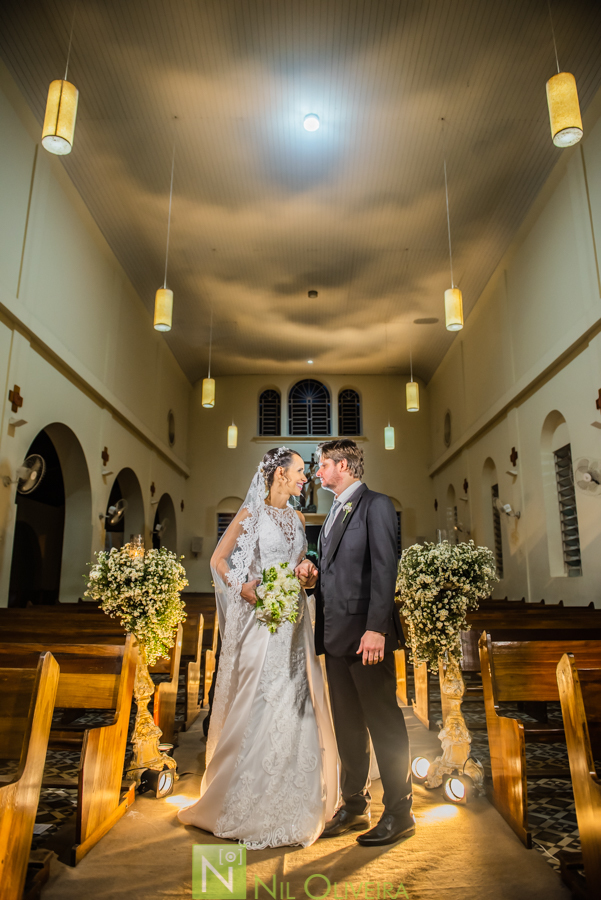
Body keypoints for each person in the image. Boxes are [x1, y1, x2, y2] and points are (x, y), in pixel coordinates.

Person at [178, 447, 339, 849]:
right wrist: (243, 589)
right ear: (279, 474)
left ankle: (298, 795)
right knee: (262, 698)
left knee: (299, 697)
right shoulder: (251, 515)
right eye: (301, 471)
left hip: (296, 619)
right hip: (262, 619)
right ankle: (244, 797)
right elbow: (219, 561)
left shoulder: (299, 517)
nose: (307, 478)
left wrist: (306, 571)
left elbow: (300, 563)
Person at [296, 439, 414, 847]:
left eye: (323, 464)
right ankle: (354, 803)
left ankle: (400, 811)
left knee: (383, 721)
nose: (317, 472)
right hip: (335, 636)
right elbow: (334, 571)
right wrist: (312, 574)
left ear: (343, 465)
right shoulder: (332, 512)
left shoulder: (376, 505)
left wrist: (377, 628)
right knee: (347, 724)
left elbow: (385, 567)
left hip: (367, 637)